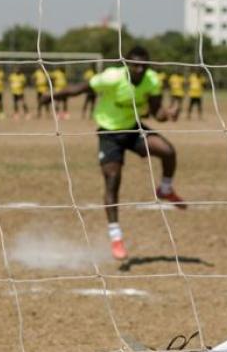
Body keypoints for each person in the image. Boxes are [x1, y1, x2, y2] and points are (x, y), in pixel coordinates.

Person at [41, 46, 186, 262]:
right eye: (135, 65)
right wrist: (53, 95)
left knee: (167, 151)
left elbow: (157, 113)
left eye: (143, 65)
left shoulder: (153, 80)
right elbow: (80, 88)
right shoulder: (111, 77)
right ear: (126, 64)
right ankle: (116, 237)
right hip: (109, 133)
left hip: (133, 129)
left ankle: (165, 189)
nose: (139, 69)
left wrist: (169, 114)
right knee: (113, 180)